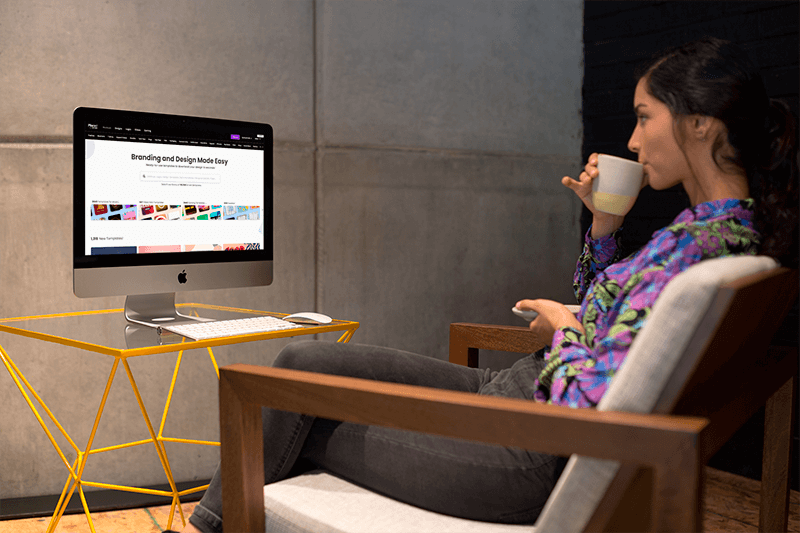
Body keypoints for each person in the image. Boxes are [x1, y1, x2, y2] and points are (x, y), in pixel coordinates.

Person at [174, 37, 798, 533]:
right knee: (301, 362)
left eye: (644, 118)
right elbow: (615, 326)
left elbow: (594, 406)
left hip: (528, 451)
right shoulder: (714, 237)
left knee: (281, 402)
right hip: (519, 393)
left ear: (698, 124)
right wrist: (604, 231)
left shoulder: (701, 250)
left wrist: (563, 329)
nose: (632, 140)